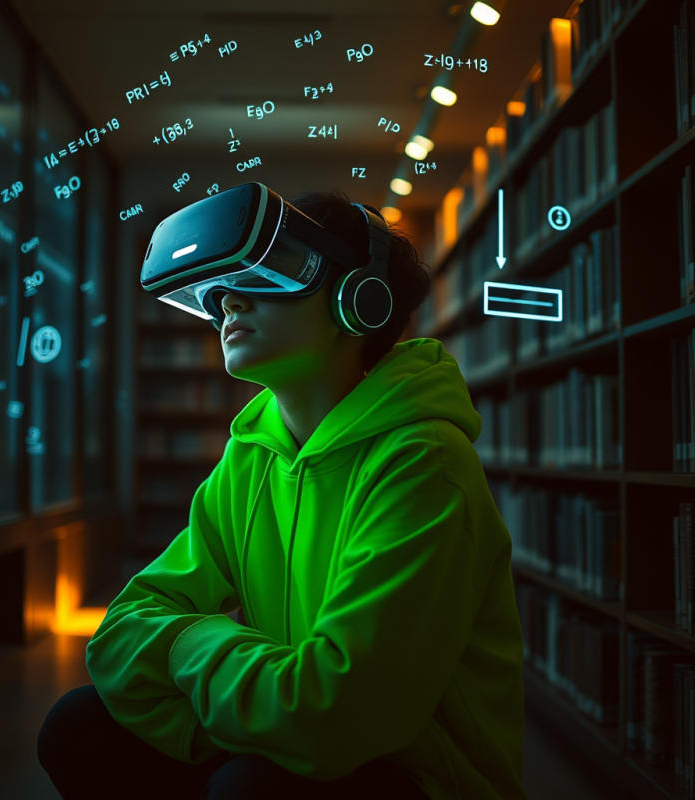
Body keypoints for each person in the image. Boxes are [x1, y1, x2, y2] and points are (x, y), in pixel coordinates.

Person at [37, 187, 527, 800]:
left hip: (421, 777)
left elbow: (335, 715)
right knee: (77, 726)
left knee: (250, 788)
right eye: (215, 292)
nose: (227, 302)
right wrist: (261, 709)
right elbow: (118, 637)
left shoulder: (424, 464)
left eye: (268, 272)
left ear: (360, 300)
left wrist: (189, 642)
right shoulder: (252, 456)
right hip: (294, 737)